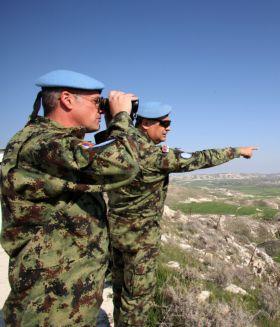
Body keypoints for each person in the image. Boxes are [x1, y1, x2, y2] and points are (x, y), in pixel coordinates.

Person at [0, 70, 140, 326]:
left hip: (66, 295)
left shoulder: (57, 145)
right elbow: (125, 165)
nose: (101, 109)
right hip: (49, 305)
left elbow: (99, 167)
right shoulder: (42, 144)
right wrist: (121, 119)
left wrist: (111, 125)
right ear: (66, 99)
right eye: (97, 102)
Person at [104, 101, 257, 326]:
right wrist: (237, 151)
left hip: (115, 234)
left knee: (119, 290)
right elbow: (200, 158)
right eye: (164, 123)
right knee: (136, 300)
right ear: (145, 124)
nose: (169, 128)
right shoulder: (153, 157)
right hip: (140, 241)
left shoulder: (117, 147)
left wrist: (119, 113)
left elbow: (119, 133)